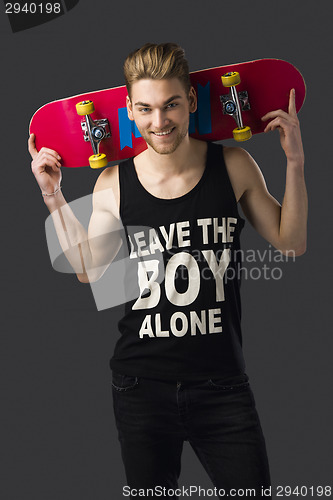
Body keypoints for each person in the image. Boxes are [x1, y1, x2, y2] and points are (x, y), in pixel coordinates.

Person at [29, 43, 307, 498]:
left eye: (171, 105)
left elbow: (291, 242)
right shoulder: (113, 182)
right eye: (146, 109)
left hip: (222, 385)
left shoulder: (232, 165)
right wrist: (53, 196)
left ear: (192, 101)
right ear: (130, 112)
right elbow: (87, 270)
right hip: (140, 388)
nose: (160, 122)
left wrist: (295, 163)